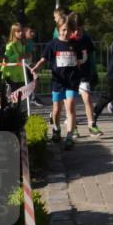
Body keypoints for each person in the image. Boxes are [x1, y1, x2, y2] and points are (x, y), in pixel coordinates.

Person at [31, 15, 82, 149]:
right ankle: (56, 128)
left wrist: (80, 70)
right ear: (58, 29)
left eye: (69, 30)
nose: (66, 33)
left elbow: (79, 61)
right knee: (57, 109)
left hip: (72, 82)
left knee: (70, 106)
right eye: (63, 30)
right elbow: (44, 59)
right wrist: (36, 68)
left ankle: (69, 136)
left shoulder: (75, 44)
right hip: (58, 81)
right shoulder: (52, 45)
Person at [69, 14, 101, 137]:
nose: (77, 32)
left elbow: (91, 57)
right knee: (71, 102)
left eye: (79, 29)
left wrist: (94, 72)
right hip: (70, 76)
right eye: (74, 29)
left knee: (87, 98)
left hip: (84, 74)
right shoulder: (67, 40)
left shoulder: (86, 39)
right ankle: (73, 126)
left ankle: (92, 125)